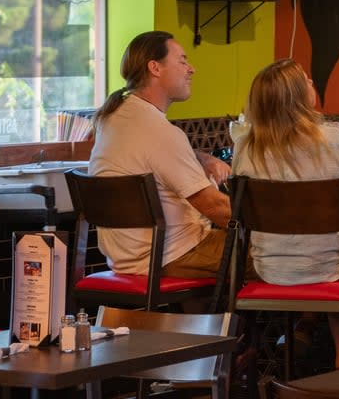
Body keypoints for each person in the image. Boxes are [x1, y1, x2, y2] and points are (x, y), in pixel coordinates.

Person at [230, 59, 339, 367]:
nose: (313, 83)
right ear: (298, 96)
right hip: (332, 267)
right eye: (308, 80)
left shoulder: (245, 148)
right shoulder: (334, 139)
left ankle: (294, 332)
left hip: (268, 268)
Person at [86, 31, 232, 279]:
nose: (191, 69)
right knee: (283, 257)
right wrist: (271, 227)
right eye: (183, 61)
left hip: (129, 260)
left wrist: (202, 158)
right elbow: (214, 206)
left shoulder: (115, 118)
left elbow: (153, 153)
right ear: (155, 67)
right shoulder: (159, 131)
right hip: (175, 256)